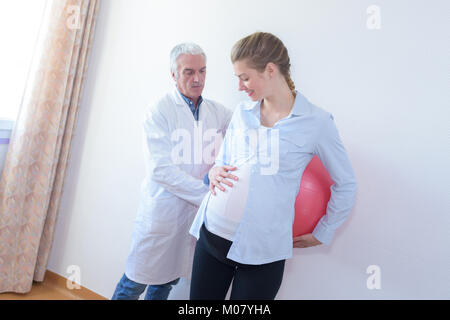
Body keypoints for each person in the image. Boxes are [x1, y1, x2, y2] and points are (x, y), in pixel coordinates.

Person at [189, 32, 357, 300]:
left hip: (263, 252)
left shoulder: (317, 122)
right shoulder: (243, 113)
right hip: (212, 235)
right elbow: (224, 160)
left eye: (244, 78)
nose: (240, 87)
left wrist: (324, 230)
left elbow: (346, 183)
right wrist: (214, 171)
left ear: (270, 70)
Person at [112, 43, 232, 300]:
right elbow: (160, 170)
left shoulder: (217, 112)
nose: (197, 78)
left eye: (202, 70)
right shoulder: (159, 110)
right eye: (188, 72)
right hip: (162, 214)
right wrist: (206, 193)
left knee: (166, 283)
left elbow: (244, 129)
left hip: (191, 219)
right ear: (173, 75)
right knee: (134, 283)